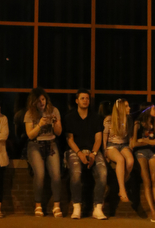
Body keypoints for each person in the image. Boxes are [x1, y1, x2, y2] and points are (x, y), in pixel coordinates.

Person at [65, 89, 107, 220]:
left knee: (103, 173)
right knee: (76, 174)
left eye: (87, 98)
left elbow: (99, 138)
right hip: (75, 150)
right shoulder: (70, 117)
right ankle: (76, 206)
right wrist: (79, 153)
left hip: (93, 149)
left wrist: (93, 153)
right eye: (82, 98)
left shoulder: (95, 117)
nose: (85, 101)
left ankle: (98, 207)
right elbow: (69, 139)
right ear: (77, 101)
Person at [24, 87, 62, 217]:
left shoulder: (54, 110)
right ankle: (38, 205)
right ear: (33, 102)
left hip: (51, 143)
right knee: (39, 175)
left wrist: (55, 122)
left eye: (43, 99)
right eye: (39, 100)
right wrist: (40, 124)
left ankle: (56, 206)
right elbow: (30, 135)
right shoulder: (29, 114)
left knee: (56, 175)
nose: (42, 103)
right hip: (35, 145)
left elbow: (59, 132)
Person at [132, 102, 155, 223]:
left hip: (153, 152)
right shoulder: (138, 124)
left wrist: (145, 140)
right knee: (147, 181)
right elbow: (134, 143)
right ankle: (153, 212)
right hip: (140, 153)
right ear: (146, 110)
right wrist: (151, 141)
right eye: (153, 108)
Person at [103, 98, 134, 202]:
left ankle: (118, 185)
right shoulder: (109, 119)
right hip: (112, 145)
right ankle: (122, 190)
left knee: (130, 161)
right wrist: (104, 153)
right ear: (120, 108)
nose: (129, 108)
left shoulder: (128, 120)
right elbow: (104, 137)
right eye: (126, 106)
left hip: (123, 145)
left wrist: (131, 146)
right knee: (120, 160)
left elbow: (130, 137)